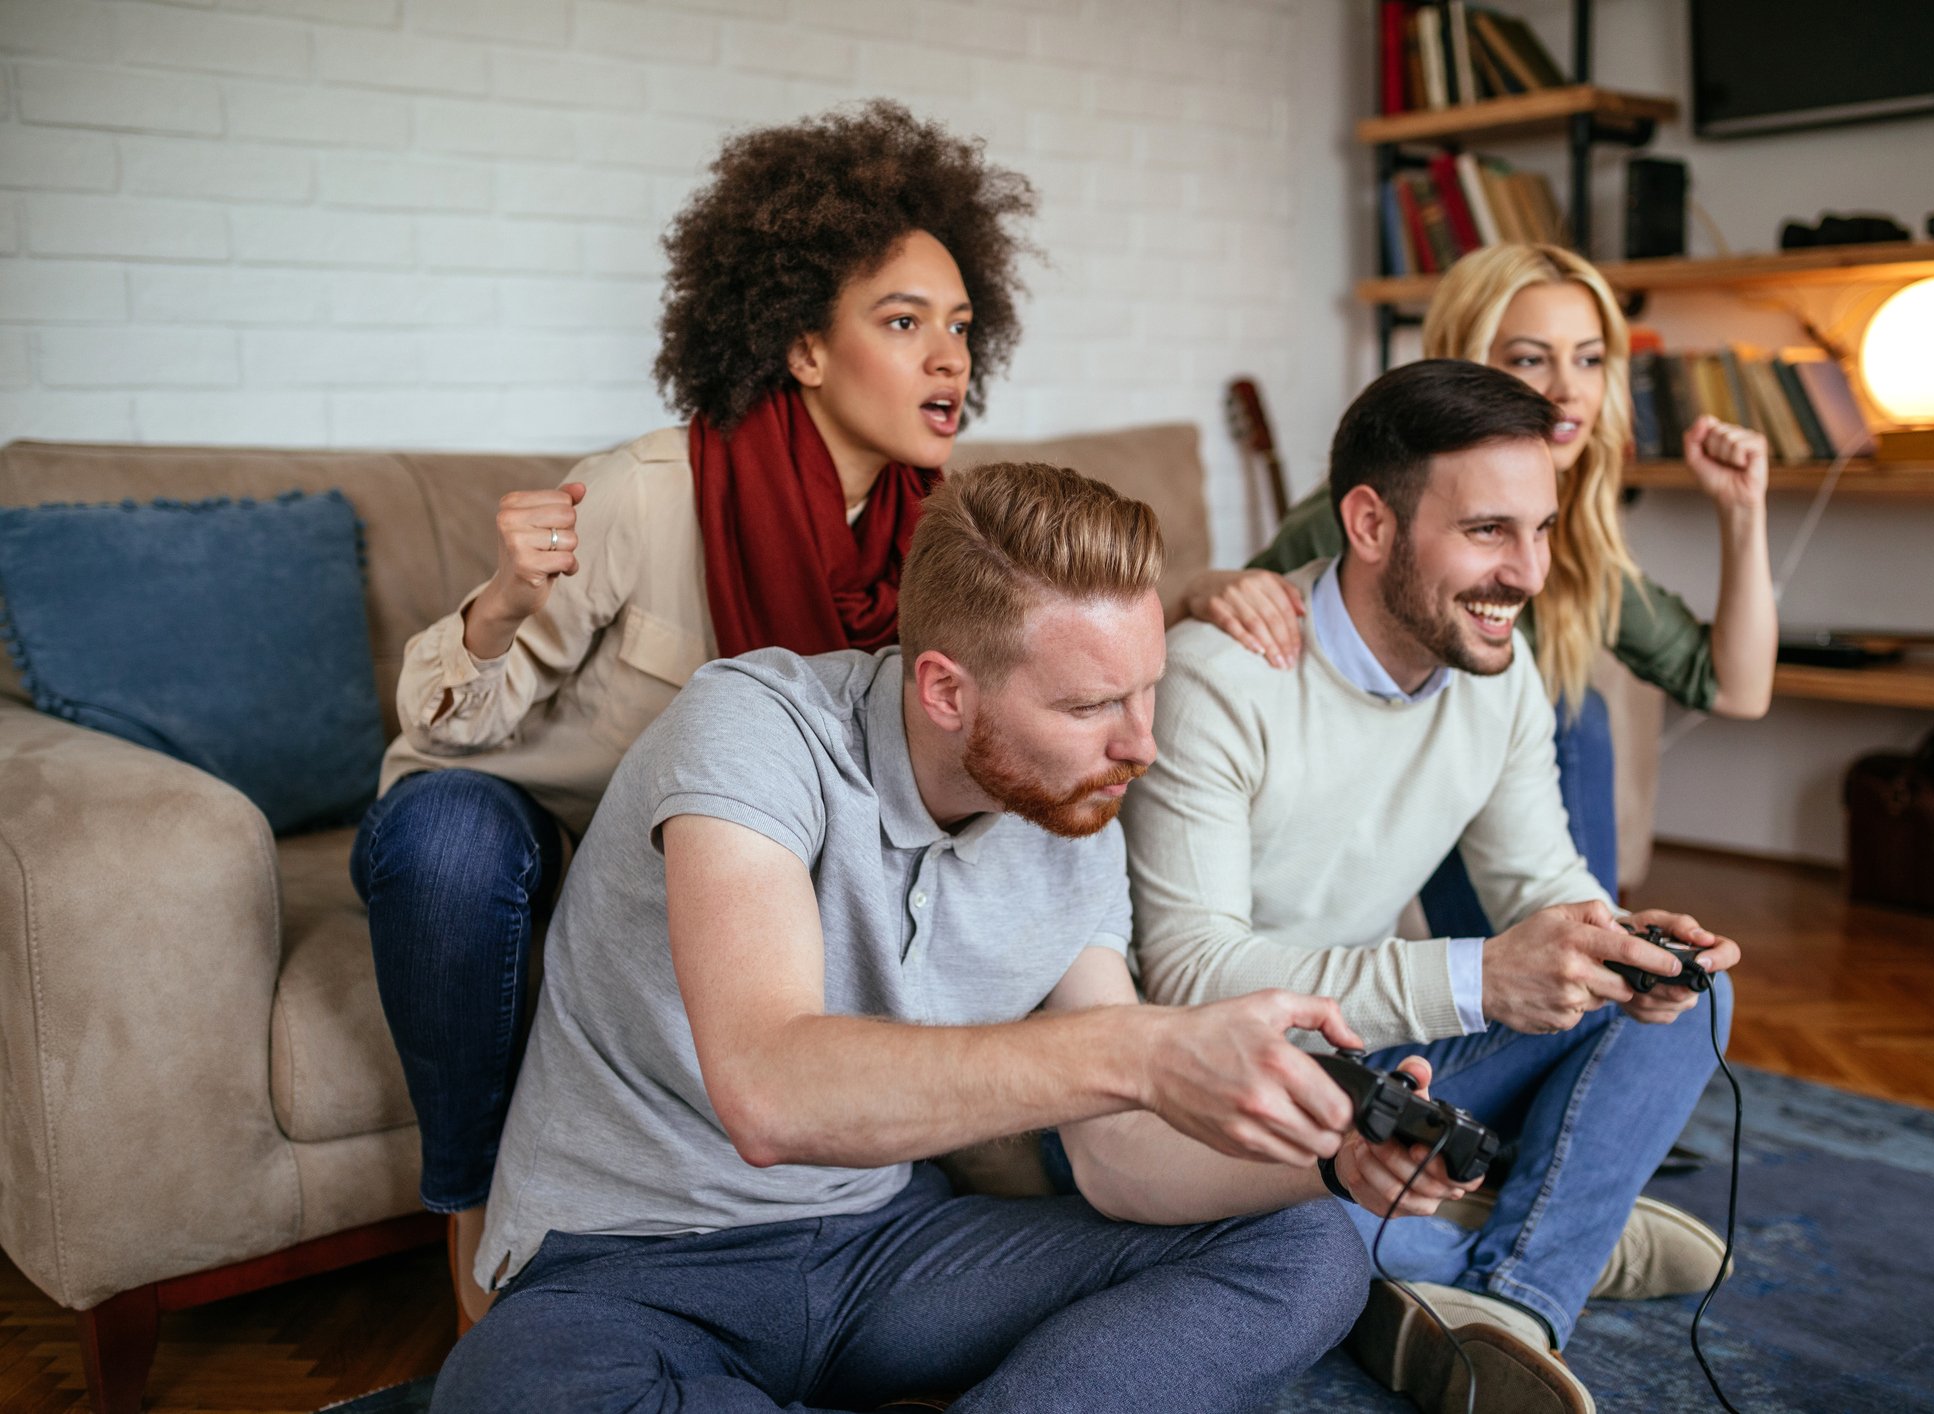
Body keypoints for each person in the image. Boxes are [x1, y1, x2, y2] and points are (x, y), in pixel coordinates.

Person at [433, 463, 1461, 1413]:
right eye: (1094, 703)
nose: (1140, 744)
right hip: (632, 1265)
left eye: (1146, 690)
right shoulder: (752, 729)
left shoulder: (1075, 809)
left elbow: (1117, 1160)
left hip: (887, 1250)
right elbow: (768, 1089)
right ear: (943, 689)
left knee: (1311, 1247)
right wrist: (1145, 1052)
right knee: (512, 1390)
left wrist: (1328, 1159)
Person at [349, 101, 1037, 1319]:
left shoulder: (946, 536)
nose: (949, 357)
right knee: (446, 836)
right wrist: (506, 597)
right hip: (542, 830)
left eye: (959, 326)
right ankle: (471, 1223)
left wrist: (1209, 595)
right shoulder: (645, 491)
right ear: (804, 347)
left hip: (719, 859)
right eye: (902, 321)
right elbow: (454, 724)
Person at [1125, 360, 1743, 1414]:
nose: (1529, 572)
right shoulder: (1218, 681)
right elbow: (1190, 974)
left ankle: (1511, 1290)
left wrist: (1619, 942)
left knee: (1695, 996)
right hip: (1222, 1089)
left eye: (1542, 531)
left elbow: (1541, 880)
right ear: (1370, 523)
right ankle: (1555, 1231)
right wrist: (1478, 976)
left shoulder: (1494, 678)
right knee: (1268, 1235)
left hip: (1381, 1069)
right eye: (1489, 532)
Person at [1183, 242, 1775, 938]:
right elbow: (1251, 618)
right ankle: (1551, 981)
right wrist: (1201, 587)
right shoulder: (1366, 521)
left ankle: (1590, 960)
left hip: (1494, 810)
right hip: (1394, 798)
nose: (1567, 389)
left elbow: (1735, 689)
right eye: (1529, 359)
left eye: (1588, 359)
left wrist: (1742, 512)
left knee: (1567, 719)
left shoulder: (1577, 536)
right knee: (1573, 714)